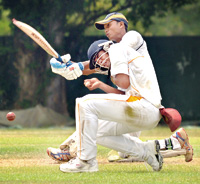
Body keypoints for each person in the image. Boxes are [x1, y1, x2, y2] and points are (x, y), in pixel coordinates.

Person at [47, 12, 193, 163]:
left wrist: (81, 65)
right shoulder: (116, 61)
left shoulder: (133, 38)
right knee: (126, 153)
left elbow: (110, 55)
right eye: (104, 27)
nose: (106, 30)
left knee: (90, 111)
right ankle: (176, 141)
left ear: (121, 24)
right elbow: (100, 66)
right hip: (133, 108)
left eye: (109, 25)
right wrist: (70, 68)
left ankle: (70, 152)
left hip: (143, 105)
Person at [55, 39, 164, 172]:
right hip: (139, 111)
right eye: (96, 61)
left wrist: (79, 66)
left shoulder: (119, 48)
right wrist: (99, 83)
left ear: (106, 47)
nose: (100, 61)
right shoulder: (119, 68)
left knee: (84, 103)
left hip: (145, 106)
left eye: (99, 56)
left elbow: (122, 82)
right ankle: (147, 152)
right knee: (95, 131)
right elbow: (122, 94)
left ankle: (86, 161)